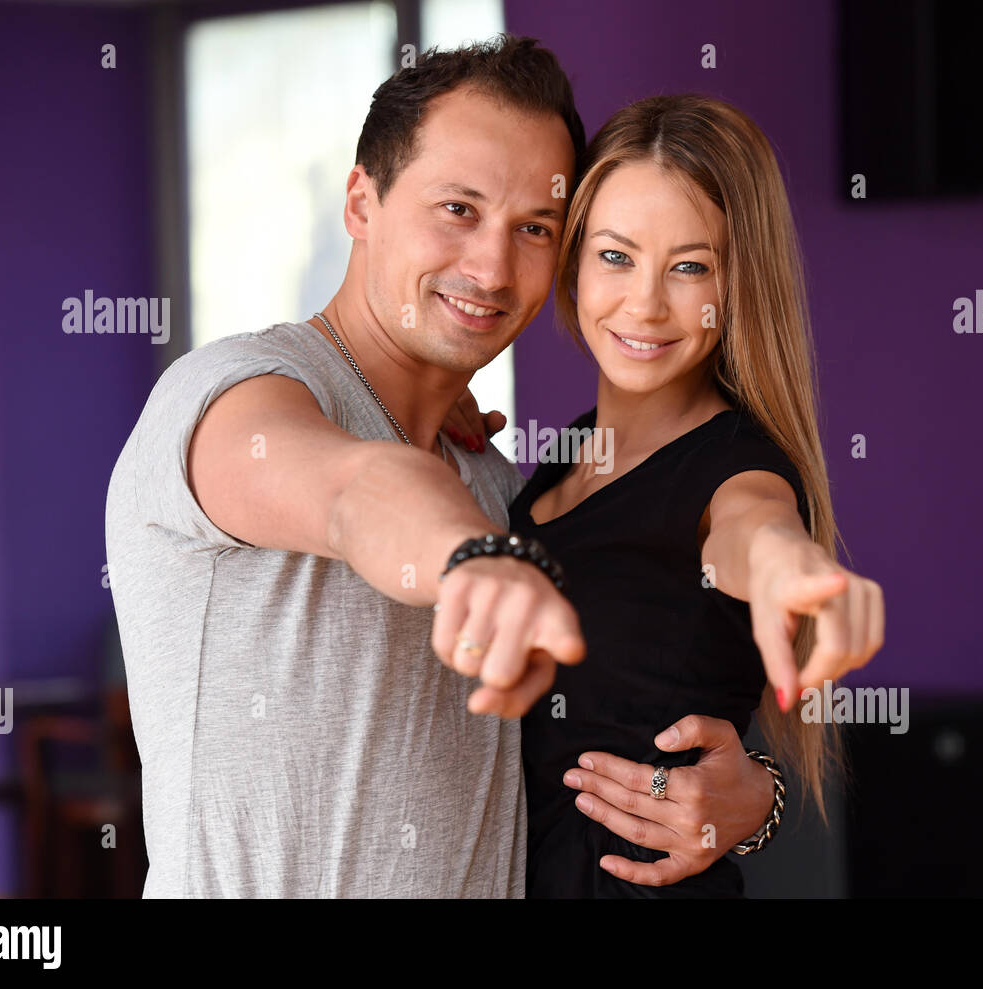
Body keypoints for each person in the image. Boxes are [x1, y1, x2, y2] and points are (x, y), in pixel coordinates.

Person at [105, 36, 778, 898]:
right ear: (362, 201)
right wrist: (472, 557)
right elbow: (353, 491)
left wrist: (755, 795)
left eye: (534, 228)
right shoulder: (236, 395)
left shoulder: (505, 492)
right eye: (458, 208)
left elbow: (621, 725)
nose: (492, 267)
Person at [454, 94, 885, 896]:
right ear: (575, 261)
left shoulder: (739, 467)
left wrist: (790, 567)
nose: (646, 304)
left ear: (738, 284)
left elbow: (754, 527)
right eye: (616, 256)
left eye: (690, 267)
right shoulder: (566, 454)